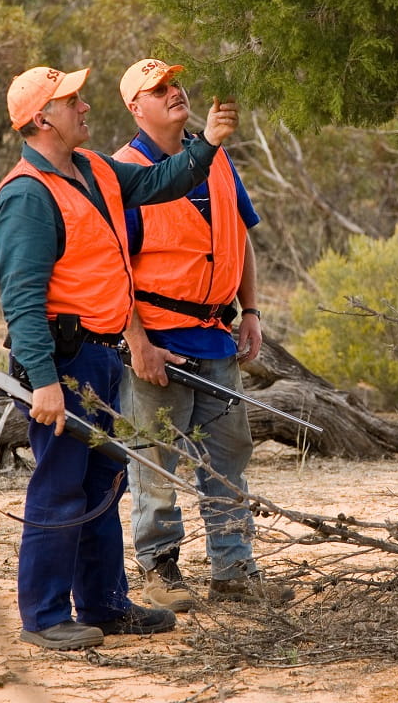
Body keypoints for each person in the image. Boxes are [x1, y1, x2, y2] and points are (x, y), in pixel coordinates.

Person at [0, 65, 240, 650]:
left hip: (101, 360)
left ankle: (105, 604)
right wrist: (46, 383)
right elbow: (22, 302)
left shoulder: (96, 168)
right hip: (64, 364)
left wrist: (207, 144)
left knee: (104, 482)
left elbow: (161, 183)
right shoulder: (27, 195)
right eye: (71, 99)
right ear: (41, 118)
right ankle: (45, 617)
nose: (85, 106)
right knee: (59, 486)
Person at [113, 58, 294, 611]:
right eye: (159, 89)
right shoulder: (121, 171)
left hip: (217, 339)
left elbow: (240, 239)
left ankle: (235, 571)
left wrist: (253, 311)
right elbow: (111, 269)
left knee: (228, 456)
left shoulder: (217, 159)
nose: (175, 93)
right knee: (155, 460)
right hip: (159, 346)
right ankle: (160, 573)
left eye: (177, 84)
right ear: (135, 107)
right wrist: (137, 343)